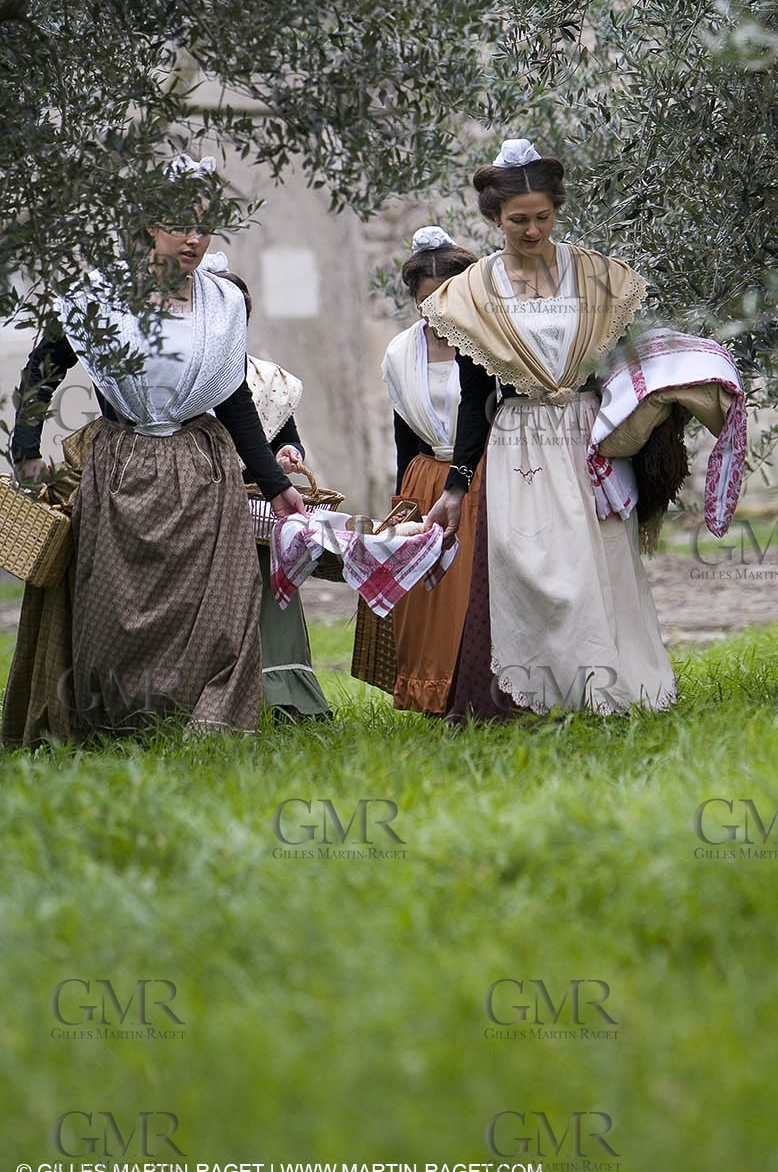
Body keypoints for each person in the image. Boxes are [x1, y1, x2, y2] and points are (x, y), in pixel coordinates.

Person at [1, 155, 303, 744]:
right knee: (114, 611)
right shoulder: (99, 296)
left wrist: (276, 485)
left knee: (218, 613)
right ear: (146, 223)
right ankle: (120, 723)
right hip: (121, 471)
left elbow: (234, 398)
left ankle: (205, 720)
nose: (193, 238)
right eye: (178, 223)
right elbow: (42, 370)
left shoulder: (221, 304)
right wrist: (25, 447)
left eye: (204, 224)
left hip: (203, 473)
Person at [422, 138, 676, 718]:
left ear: (556, 209)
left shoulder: (595, 277)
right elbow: (471, 398)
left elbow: (626, 364)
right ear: (493, 218)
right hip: (520, 441)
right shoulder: (470, 296)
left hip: (587, 436)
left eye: (542, 217)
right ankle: (551, 694)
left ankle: (619, 691)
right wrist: (457, 486)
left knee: (606, 563)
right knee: (537, 566)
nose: (532, 230)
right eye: (518, 221)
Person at [210, 268, 332, 723]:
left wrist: (287, 455)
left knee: (270, 595)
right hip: (202, 508)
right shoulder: (185, 376)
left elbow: (289, 438)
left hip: (260, 511)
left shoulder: (270, 381)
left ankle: (285, 699)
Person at [377, 226, 479, 713]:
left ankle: (482, 693)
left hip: (482, 477)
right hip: (424, 477)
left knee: (473, 588)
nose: (437, 311)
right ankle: (434, 696)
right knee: (428, 598)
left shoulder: (490, 346)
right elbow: (404, 433)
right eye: (425, 302)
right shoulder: (400, 353)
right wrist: (402, 503)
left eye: (447, 298)